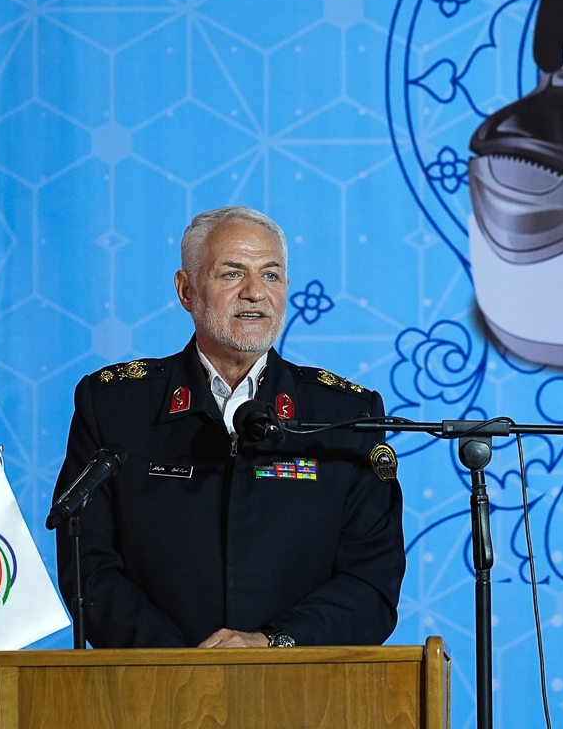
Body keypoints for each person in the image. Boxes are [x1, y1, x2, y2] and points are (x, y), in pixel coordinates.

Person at [53, 206, 405, 648]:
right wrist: (181, 666)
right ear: (186, 290)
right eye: (232, 273)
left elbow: (371, 582)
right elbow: (89, 567)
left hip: (298, 682)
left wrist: (273, 643)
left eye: (271, 275)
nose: (255, 292)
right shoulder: (114, 406)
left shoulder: (346, 416)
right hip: (156, 681)